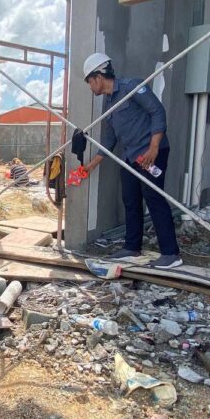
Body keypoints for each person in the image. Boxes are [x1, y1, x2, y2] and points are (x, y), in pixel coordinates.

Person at [81, 52, 182, 269]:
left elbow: (157, 112)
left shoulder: (131, 87)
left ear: (98, 77)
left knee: (153, 198)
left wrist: (154, 147)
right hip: (130, 157)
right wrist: (90, 165)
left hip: (152, 153)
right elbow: (108, 141)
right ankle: (132, 247)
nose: (90, 87)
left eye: (90, 81)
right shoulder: (108, 104)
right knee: (129, 199)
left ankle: (171, 253)